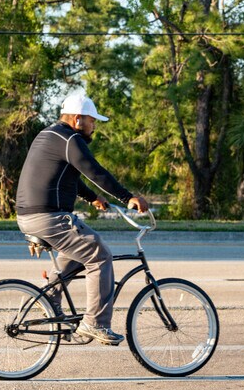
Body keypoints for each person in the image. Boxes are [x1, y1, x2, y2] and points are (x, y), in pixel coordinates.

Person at [15, 93, 148, 346]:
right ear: (78, 119)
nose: (94, 125)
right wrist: (128, 197)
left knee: (77, 254)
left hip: (31, 215)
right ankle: (95, 323)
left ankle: (46, 301)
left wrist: (92, 198)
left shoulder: (48, 135)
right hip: (49, 217)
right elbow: (94, 171)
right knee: (100, 255)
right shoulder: (71, 139)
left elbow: (65, 176)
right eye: (91, 120)